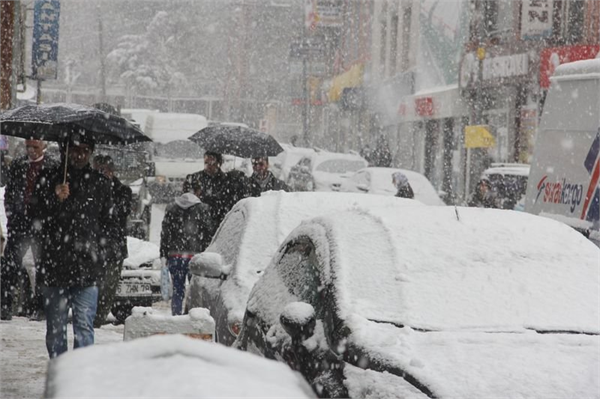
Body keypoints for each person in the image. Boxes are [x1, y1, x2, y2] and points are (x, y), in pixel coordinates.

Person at [31, 134, 116, 358]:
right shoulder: (49, 178)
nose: (80, 155)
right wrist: (54, 199)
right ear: (65, 150)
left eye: (85, 150)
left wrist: (101, 252)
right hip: (55, 267)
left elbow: (109, 225)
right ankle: (60, 372)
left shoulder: (100, 183)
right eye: (76, 149)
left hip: (87, 269)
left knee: (84, 328)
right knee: (56, 330)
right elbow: (35, 219)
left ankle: (79, 376)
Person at [1, 139, 58, 321]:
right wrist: (11, 214)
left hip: (41, 223)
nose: (31, 150)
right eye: (29, 147)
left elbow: (52, 195)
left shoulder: (52, 166)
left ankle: (39, 307)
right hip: (19, 222)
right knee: (10, 265)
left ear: (43, 147)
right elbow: (10, 191)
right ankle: (4, 304)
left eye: (35, 147)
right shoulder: (19, 165)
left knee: (42, 266)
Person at [92, 155, 132, 328]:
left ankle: (98, 317)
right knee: (91, 284)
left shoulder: (122, 190)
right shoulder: (89, 188)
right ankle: (90, 316)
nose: (100, 174)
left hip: (113, 246)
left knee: (108, 286)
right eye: (97, 170)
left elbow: (118, 214)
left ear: (110, 171)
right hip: (92, 245)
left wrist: (106, 190)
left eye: (103, 170)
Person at [160, 192, 213, 315]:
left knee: (177, 290)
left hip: (175, 256)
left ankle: (176, 316)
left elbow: (165, 234)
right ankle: (195, 317)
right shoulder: (202, 209)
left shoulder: (172, 209)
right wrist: (206, 251)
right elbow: (207, 233)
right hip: (195, 257)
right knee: (196, 291)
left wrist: (163, 253)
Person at [182, 152, 232, 229]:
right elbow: (186, 197)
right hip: (196, 223)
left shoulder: (226, 181)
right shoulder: (195, 178)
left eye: (211, 163)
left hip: (218, 222)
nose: (208, 166)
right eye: (206, 163)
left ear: (219, 163)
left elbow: (225, 202)